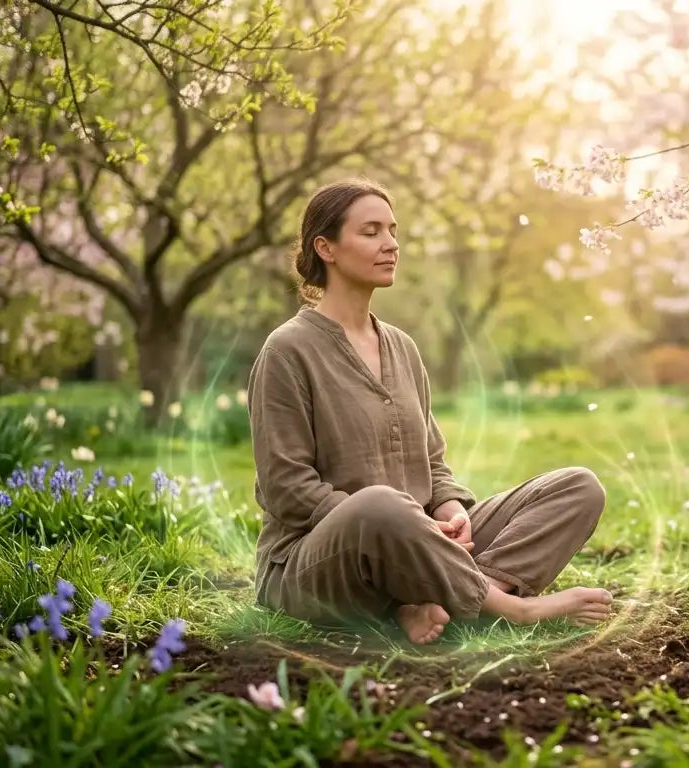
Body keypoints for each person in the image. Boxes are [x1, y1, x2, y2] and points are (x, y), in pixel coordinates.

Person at [247, 178, 613, 644]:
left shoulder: (402, 347)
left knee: (577, 486)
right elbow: (287, 489)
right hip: (316, 564)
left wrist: (452, 512)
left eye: (393, 230)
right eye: (372, 231)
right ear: (326, 248)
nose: (391, 244)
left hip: (423, 537)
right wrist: (413, 527)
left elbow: (434, 463)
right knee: (380, 505)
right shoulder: (287, 350)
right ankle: (512, 608)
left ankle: (438, 602)